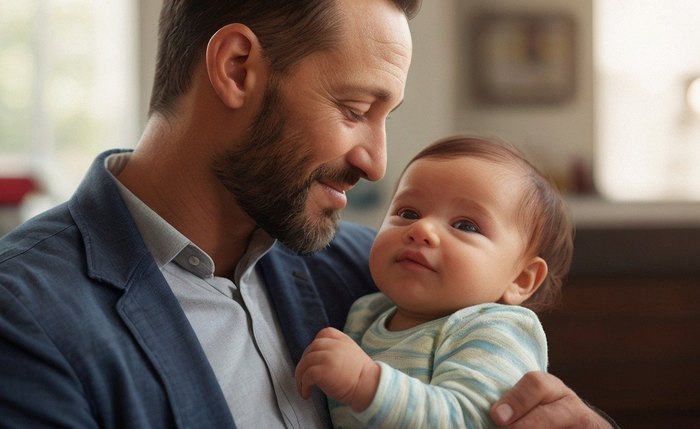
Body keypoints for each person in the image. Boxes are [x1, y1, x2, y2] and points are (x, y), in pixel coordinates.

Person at [0, 1, 615, 428]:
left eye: (386, 118)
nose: (377, 163)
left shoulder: (371, 273)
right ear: (237, 68)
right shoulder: (25, 314)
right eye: (354, 109)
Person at [295, 135, 570, 428]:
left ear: (521, 279)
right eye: (408, 213)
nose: (421, 228)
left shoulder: (495, 329)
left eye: (465, 225)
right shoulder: (366, 312)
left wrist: (365, 383)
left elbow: (478, 420)